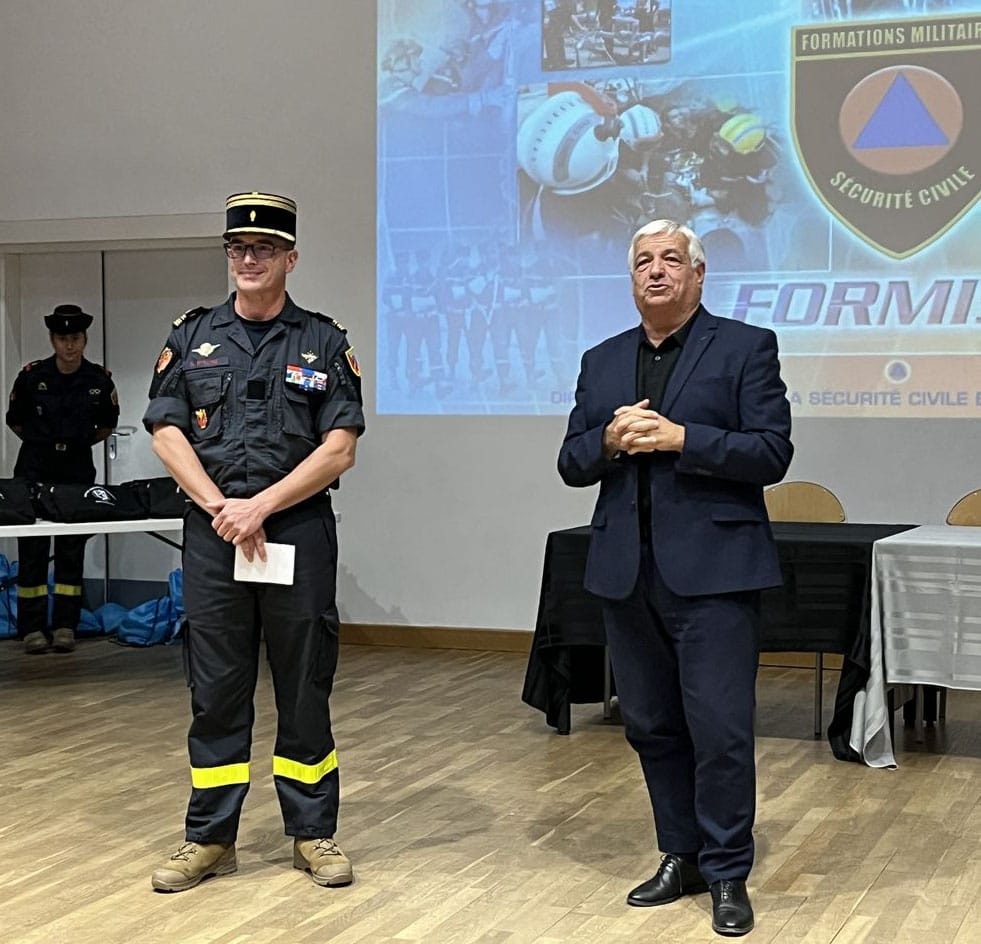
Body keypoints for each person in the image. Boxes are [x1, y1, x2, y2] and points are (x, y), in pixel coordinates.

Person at [557, 219, 793, 937]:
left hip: (715, 575)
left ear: (697, 275)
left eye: (669, 260)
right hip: (626, 574)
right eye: (641, 262)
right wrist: (604, 440)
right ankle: (679, 854)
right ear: (630, 280)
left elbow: (771, 453)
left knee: (718, 731)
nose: (654, 271)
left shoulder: (745, 347)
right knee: (652, 726)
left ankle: (726, 871)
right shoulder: (601, 361)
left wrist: (682, 439)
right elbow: (570, 463)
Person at [143, 192, 365, 893]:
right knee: (215, 689)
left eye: (264, 248)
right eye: (238, 247)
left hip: (293, 530)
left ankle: (313, 832)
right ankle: (209, 837)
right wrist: (221, 507)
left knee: (303, 685)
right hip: (215, 536)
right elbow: (166, 429)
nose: (248, 258)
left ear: (289, 259)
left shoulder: (324, 341)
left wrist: (261, 505)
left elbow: (339, 449)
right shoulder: (191, 335)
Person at [5, 304, 119, 655]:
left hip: (76, 468)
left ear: (84, 340)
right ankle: (32, 629)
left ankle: (66, 625)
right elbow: (16, 421)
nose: (69, 346)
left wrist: (71, 444)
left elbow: (105, 426)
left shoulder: (98, 380)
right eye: (62, 339)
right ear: (52, 340)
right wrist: (47, 445)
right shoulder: (31, 376)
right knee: (33, 549)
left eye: (75, 338)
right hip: (35, 467)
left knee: (71, 547)